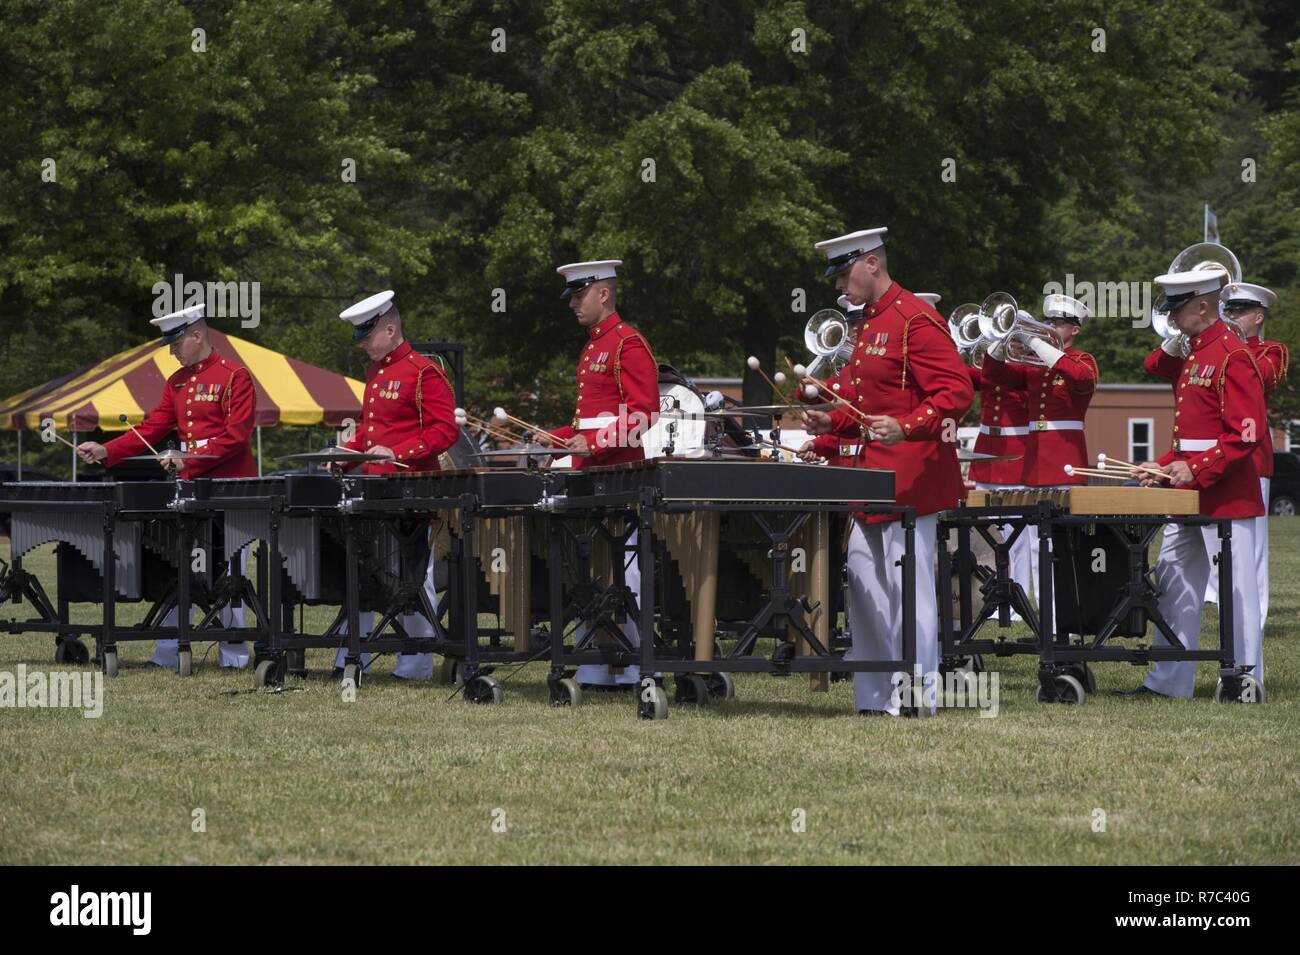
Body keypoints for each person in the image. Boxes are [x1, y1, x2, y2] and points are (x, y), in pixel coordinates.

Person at [799, 228, 973, 715]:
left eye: (843, 274)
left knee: (908, 590)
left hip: (910, 478)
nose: (838, 287)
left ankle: (918, 698)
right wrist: (831, 419)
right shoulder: (872, 324)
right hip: (869, 479)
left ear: (872, 264)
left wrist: (908, 426)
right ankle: (874, 698)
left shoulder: (916, 319)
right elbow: (862, 399)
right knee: (865, 585)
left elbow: (957, 392)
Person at [75, 303, 254, 669]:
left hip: (231, 491)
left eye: (176, 343)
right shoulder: (177, 382)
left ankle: (234, 656)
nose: (171, 351)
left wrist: (190, 456)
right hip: (190, 491)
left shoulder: (235, 376)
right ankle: (168, 650)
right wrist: (107, 449)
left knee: (229, 575)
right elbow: (153, 429)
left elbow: (235, 437)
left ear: (196, 335)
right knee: (181, 569)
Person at [1126, 270, 1267, 701]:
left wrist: (1196, 469)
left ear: (1202, 306)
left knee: (1235, 593)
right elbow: (1190, 437)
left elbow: (1246, 432)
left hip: (1225, 494)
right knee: (1174, 585)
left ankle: (1243, 680)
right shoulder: (1195, 354)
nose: (1173, 317)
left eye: (1178, 308)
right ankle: (1169, 682)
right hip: (1188, 491)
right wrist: (1164, 465)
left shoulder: (1232, 355)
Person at [542, 260, 659, 688]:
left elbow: (645, 413)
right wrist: (556, 439)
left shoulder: (627, 343)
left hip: (621, 473)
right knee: (591, 571)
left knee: (626, 572)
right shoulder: (594, 346)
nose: (573, 304)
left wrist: (596, 443)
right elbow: (586, 421)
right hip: (590, 472)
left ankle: (637, 665)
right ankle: (595, 663)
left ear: (603, 294)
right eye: (571, 297)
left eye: (579, 295)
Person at [333, 291, 459, 680]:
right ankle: (356, 653)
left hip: (410, 485)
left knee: (412, 573)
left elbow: (444, 429)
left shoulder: (423, 372)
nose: (363, 343)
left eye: (367, 335)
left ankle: (416, 662)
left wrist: (398, 451)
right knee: (370, 569)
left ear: (390, 328)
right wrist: (346, 450)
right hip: (376, 487)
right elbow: (371, 431)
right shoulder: (376, 372)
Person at [1212, 282, 1286, 628]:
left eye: (1239, 312)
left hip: (1252, 457)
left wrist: (1228, 347)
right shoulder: (1217, 350)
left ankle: (1255, 615)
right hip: (1215, 455)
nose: (1231, 317)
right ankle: (1219, 605)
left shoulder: (1271, 351)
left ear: (1258, 316)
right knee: (1212, 537)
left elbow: (1261, 377)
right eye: (1228, 311)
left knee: (1252, 544)